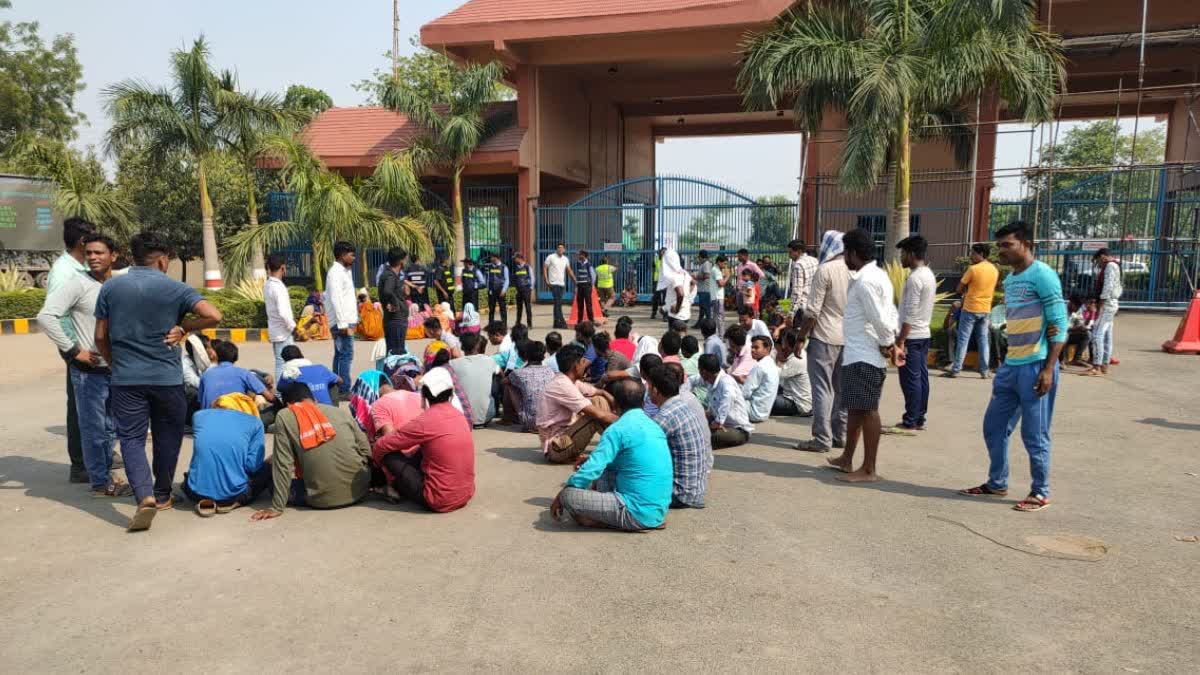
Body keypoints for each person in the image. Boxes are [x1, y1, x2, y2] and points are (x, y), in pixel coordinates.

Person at [94, 231, 222, 530]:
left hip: (126, 379)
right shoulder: (176, 289)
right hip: (167, 380)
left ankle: (144, 498)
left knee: (131, 439)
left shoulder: (111, 288)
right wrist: (185, 326)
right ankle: (162, 494)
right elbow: (214, 315)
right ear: (163, 261)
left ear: (132, 257)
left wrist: (115, 364)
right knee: (168, 437)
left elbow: (100, 337)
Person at [960, 221, 1067, 512]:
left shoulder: (1043, 275)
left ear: (1026, 244)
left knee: (1035, 434)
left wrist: (1048, 369)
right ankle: (997, 483)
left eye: (1007, 245)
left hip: (1036, 366)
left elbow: (1059, 324)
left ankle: (1040, 492)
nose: (1001, 251)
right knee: (993, 427)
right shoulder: (1010, 280)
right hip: (1011, 366)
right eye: (1000, 246)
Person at [37, 232, 127, 496]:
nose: (93, 257)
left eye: (99, 253)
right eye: (88, 253)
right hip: (89, 373)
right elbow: (46, 317)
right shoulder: (77, 284)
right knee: (93, 428)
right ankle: (99, 483)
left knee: (111, 427)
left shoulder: (120, 284)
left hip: (117, 369)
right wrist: (74, 350)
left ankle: (107, 475)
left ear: (114, 256)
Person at [824, 228, 898, 483]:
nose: (843, 258)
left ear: (854, 253)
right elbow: (890, 313)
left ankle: (869, 468)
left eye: (845, 252)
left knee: (868, 410)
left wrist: (889, 344)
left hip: (866, 354)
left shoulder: (867, 281)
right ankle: (847, 458)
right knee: (856, 408)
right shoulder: (876, 276)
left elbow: (879, 317)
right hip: (858, 353)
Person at [551, 378, 672, 531]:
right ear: (643, 403)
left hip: (634, 511)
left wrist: (561, 495)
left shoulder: (617, 429)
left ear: (615, 405)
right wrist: (590, 460)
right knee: (604, 469)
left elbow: (592, 469)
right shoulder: (654, 426)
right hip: (657, 512)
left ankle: (606, 521)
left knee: (568, 496)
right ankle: (622, 518)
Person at [251, 382, 372, 521]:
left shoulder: (285, 415)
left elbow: (283, 464)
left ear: (288, 404)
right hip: (359, 490)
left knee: (271, 479)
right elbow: (365, 449)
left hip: (322, 499)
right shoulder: (338, 412)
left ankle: (242, 497)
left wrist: (277, 507)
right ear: (314, 398)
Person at [373, 369, 475, 512]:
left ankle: (391, 486)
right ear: (451, 394)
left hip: (438, 499)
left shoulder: (426, 421)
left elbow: (383, 445)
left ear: (424, 394)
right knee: (424, 448)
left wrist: (377, 463)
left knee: (388, 454)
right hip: (466, 493)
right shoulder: (458, 414)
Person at [41, 216, 96, 483]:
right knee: (79, 407)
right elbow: (53, 317)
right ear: (82, 241)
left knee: (95, 404)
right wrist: (75, 351)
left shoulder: (79, 266)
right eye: (93, 243)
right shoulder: (64, 273)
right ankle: (80, 465)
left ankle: (96, 454)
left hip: (85, 345)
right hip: (77, 348)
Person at [796, 230, 850, 453]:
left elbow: (812, 312)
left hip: (824, 336)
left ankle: (821, 438)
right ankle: (840, 435)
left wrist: (801, 337)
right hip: (849, 337)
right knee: (841, 390)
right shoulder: (855, 270)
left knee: (822, 389)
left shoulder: (825, 269)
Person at [536, 344, 618, 463]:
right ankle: (627, 443)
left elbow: (596, 391)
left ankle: (621, 443)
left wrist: (606, 394)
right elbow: (599, 415)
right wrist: (628, 422)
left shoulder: (569, 380)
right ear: (576, 366)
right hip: (557, 447)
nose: (588, 367)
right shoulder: (562, 385)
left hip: (566, 438)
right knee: (595, 416)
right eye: (584, 362)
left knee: (598, 400)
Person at [182, 406, 270, 514]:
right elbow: (252, 467)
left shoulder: (199, 416)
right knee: (269, 467)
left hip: (194, 492)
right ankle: (231, 502)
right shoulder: (255, 423)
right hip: (234, 495)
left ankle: (207, 497)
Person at [646, 365, 711, 509]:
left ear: (655, 391)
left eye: (648, 387)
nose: (647, 391)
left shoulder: (665, 416)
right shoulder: (681, 405)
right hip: (694, 491)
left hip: (679, 495)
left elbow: (641, 447)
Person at [894, 235, 936, 431]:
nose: (901, 258)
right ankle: (919, 417)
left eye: (903, 254)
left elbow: (909, 314)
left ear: (911, 254)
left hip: (912, 336)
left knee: (910, 380)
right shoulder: (928, 273)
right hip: (923, 334)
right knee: (921, 378)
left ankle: (911, 419)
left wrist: (901, 340)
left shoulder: (915, 278)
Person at [946, 242, 999, 379]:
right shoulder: (994, 270)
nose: (971, 255)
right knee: (983, 340)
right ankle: (984, 371)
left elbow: (959, 288)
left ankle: (956, 369)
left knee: (963, 339)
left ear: (981, 254)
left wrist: (966, 289)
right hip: (985, 309)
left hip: (970, 308)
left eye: (973, 253)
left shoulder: (973, 269)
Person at [691, 353, 753, 449]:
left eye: (699, 370)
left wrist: (718, 422)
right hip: (720, 422)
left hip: (738, 430)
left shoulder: (726, 383)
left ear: (703, 371)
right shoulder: (709, 378)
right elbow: (691, 381)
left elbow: (728, 398)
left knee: (700, 437)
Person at [197, 340, 277, 410]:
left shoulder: (206, 374)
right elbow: (270, 397)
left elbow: (200, 400)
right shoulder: (243, 373)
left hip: (208, 420)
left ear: (217, 356)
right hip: (237, 420)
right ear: (235, 357)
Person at [325, 241, 359, 397]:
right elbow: (335, 299)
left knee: (341, 354)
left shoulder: (344, 271)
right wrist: (343, 324)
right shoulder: (335, 273)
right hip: (342, 322)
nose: (354, 258)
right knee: (345, 355)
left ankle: (337, 388)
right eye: (351, 255)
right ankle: (343, 390)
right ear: (342, 255)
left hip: (345, 320)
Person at [449, 332, 501, 428]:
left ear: (462, 347)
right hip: (487, 415)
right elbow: (500, 374)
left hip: (462, 417)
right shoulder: (490, 361)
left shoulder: (452, 364)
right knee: (496, 378)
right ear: (478, 345)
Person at [506, 340, 557, 431]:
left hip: (529, 422)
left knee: (509, 385)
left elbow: (503, 381)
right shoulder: (550, 372)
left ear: (526, 355)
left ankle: (508, 417)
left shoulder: (519, 373)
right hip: (550, 421)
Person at [263, 253, 298, 383]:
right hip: (283, 331)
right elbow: (284, 312)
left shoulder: (268, 285)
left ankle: (283, 391)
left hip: (275, 329)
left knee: (281, 361)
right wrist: (294, 328)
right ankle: (280, 392)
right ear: (283, 268)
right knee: (283, 363)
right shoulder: (278, 287)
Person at [1087, 248, 1122, 377]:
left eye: (1098, 261)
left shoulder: (1110, 266)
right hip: (1112, 303)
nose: (1099, 265)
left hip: (1107, 304)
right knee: (1107, 335)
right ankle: (1104, 364)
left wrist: (1100, 303)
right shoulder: (1115, 265)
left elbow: (1107, 286)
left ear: (1102, 257)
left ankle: (1096, 365)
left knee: (1096, 334)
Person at [277, 345, 342, 405]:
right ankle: (333, 408)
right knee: (333, 383)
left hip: (304, 411)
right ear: (301, 354)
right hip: (326, 409)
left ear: (284, 359)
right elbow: (340, 380)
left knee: (285, 390)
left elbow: (279, 388)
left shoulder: (288, 373)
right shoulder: (320, 368)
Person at [773, 329, 812, 416]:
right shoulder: (799, 354)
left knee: (763, 399)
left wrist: (779, 358)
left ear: (788, 343)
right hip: (791, 397)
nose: (782, 345)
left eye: (783, 342)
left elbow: (776, 376)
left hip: (797, 403)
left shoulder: (797, 359)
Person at [378, 247, 409, 356]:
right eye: (405, 259)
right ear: (401, 261)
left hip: (396, 320)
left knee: (395, 354)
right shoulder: (390, 275)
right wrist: (396, 304)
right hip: (395, 321)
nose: (406, 262)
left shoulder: (391, 275)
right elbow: (387, 291)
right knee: (396, 355)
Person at [742, 335, 780, 423]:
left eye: (756, 347)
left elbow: (745, 393)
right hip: (763, 412)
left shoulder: (759, 366)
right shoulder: (770, 363)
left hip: (753, 411)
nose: (752, 350)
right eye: (752, 347)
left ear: (767, 349)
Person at [785, 238, 818, 326]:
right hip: (815, 305)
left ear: (799, 251)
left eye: (790, 252)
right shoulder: (814, 260)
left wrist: (791, 314)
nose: (789, 256)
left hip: (803, 308)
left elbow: (797, 292)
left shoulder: (798, 265)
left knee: (799, 336)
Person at [543, 242, 570, 329]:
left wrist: (574, 280)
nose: (560, 249)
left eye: (562, 248)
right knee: (558, 303)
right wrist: (546, 280)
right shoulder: (551, 257)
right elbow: (544, 268)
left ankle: (556, 323)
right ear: (556, 249)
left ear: (564, 250)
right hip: (554, 283)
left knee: (557, 303)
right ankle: (562, 322)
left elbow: (569, 270)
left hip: (562, 283)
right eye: (559, 248)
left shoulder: (565, 259)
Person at [483, 251, 509, 325]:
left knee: (502, 308)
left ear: (496, 258)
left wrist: (504, 290)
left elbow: (507, 280)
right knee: (491, 309)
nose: (491, 259)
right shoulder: (489, 267)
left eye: (492, 257)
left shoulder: (504, 267)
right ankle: (490, 324)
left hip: (500, 290)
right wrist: (487, 288)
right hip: (491, 290)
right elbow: (486, 278)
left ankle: (504, 324)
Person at [571, 248, 596, 325]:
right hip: (580, 286)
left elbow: (593, 276)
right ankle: (579, 320)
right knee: (580, 304)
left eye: (580, 255)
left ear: (584, 256)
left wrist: (591, 285)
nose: (579, 256)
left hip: (587, 286)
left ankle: (591, 320)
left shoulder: (589, 265)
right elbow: (578, 275)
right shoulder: (578, 264)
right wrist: (576, 286)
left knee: (588, 304)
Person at [511, 251, 535, 327]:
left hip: (526, 289)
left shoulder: (527, 267)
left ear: (519, 258)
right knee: (519, 308)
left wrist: (531, 288)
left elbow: (532, 278)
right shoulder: (516, 268)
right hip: (518, 290)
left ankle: (529, 324)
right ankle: (518, 323)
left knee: (528, 307)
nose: (514, 260)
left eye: (515, 258)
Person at [693, 249, 714, 326]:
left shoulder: (706, 264)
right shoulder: (704, 264)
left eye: (699, 257)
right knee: (702, 307)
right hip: (703, 289)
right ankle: (699, 323)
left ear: (701, 257)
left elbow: (707, 275)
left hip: (706, 289)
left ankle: (709, 324)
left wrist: (696, 276)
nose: (699, 259)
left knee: (706, 308)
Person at [713, 255, 731, 334]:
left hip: (717, 296)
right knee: (720, 317)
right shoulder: (716, 270)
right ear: (719, 262)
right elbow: (721, 284)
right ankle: (721, 336)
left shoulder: (717, 270)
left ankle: (717, 334)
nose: (725, 266)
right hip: (717, 297)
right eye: (724, 263)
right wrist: (727, 276)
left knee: (717, 317)